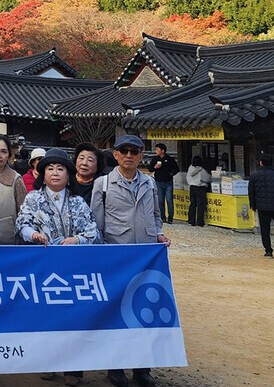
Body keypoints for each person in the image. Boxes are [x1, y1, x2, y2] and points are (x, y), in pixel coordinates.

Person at [92, 134, 169, 387]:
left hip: (145, 256)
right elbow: (97, 223)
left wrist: (158, 234)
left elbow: (156, 215)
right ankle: (115, 368)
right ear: (115, 154)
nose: (128, 155)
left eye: (134, 151)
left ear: (140, 155)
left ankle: (142, 368)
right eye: (123, 150)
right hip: (116, 255)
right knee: (117, 311)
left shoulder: (149, 183)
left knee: (144, 311)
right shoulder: (103, 184)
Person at [20, 148, 101, 386]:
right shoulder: (32, 198)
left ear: (68, 174)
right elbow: (22, 223)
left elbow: (92, 231)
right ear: (42, 174)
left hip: (72, 269)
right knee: (46, 316)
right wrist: (33, 234)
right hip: (43, 267)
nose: (55, 173)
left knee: (74, 317)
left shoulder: (77, 202)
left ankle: (74, 369)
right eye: (50, 168)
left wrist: (76, 240)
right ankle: (48, 362)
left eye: (61, 168)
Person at [248, 153, 274, 259]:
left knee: (264, 229)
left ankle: (268, 251)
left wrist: (252, 204)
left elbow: (251, 191)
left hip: (261, 206)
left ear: (260, 163)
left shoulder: (254, 175)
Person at [149, 143, 180, 224]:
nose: (156, 151)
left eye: (157, 149)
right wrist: (154, 167)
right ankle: (162, 217)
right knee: (160, 201)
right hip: (158, 182)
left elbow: (176, 169)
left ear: (162, 151)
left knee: (169, 200)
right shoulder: (155, 159)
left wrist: (171, 174)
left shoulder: (169, 159)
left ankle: (170, 218)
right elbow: (150, 169)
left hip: (168, 182)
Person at [186, 156, 211, 227]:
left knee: (192, 204)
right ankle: (200, 222)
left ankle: (191, 221)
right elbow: (207, 178)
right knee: (200, 205)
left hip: (192, 188)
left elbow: (187, 178)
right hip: (200, 188)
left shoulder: (190, 168)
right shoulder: (201, 170)